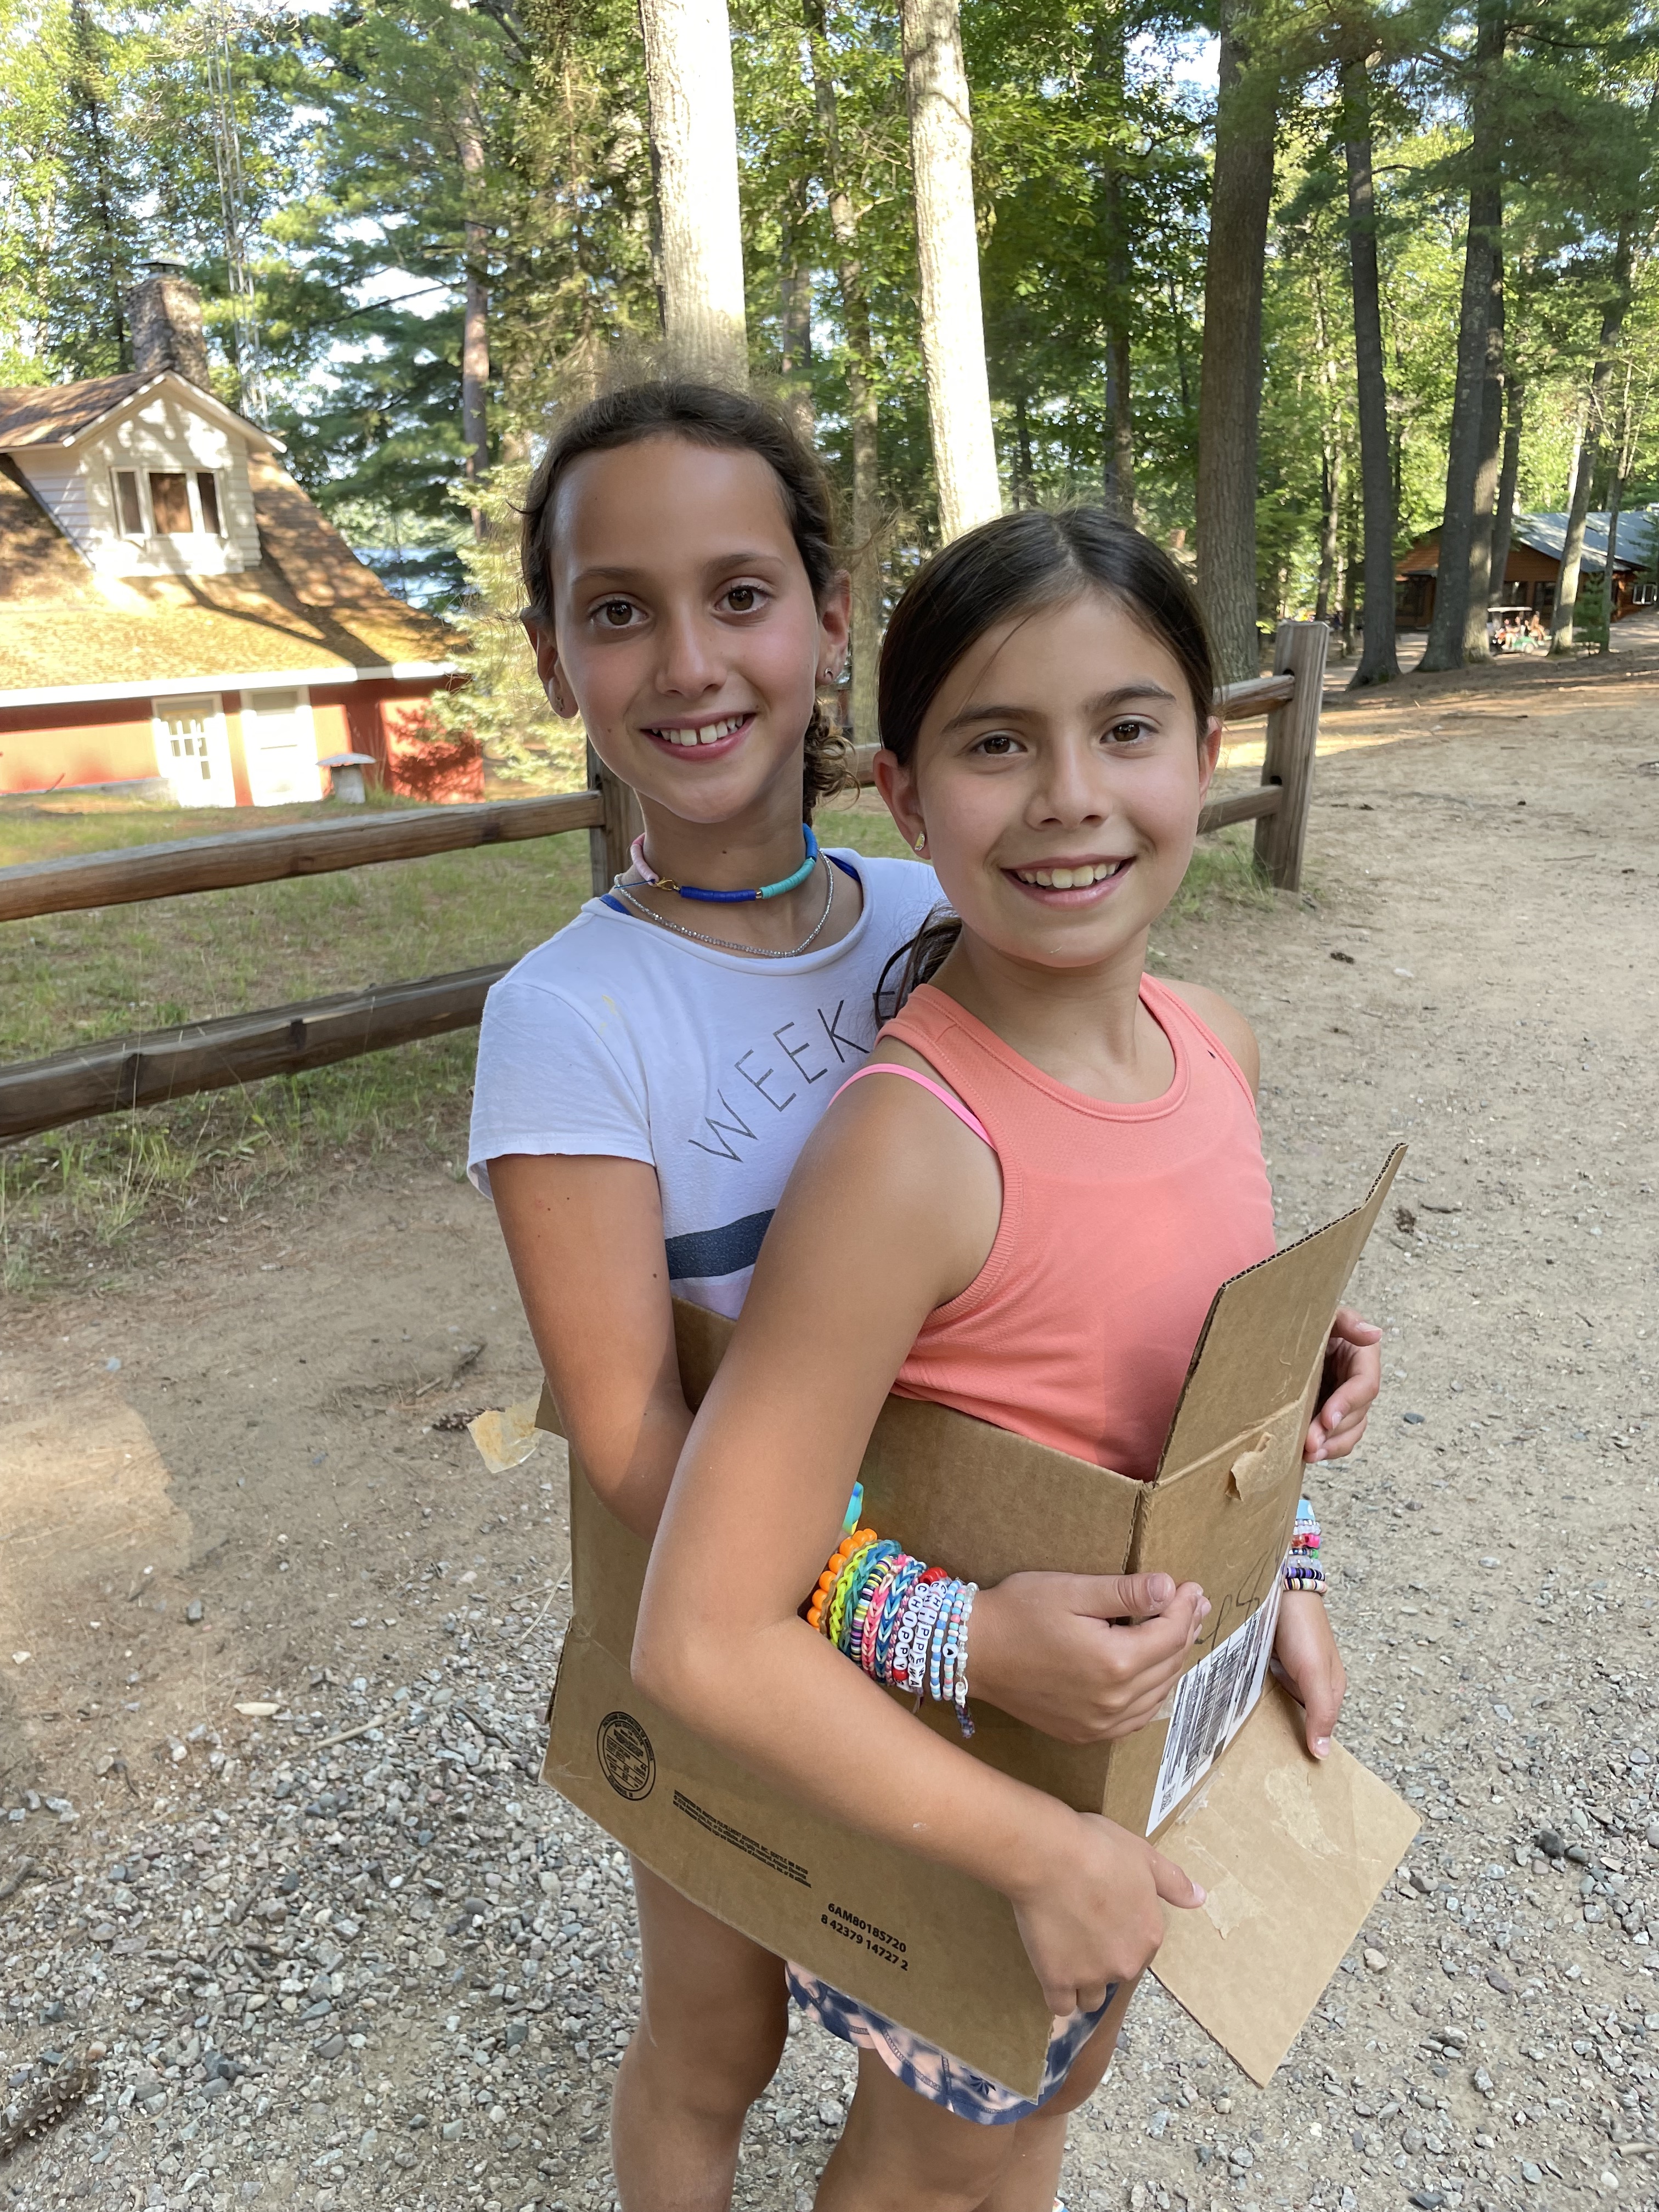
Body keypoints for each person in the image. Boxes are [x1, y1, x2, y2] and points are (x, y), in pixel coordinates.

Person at [469, 386, 1265, 2212]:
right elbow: (632, 1429)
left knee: (955, 2066)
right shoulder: (570, 1021)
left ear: (832, 619)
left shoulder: (949, 892)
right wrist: (933, 1628)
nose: (691, 662)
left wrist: (1260, 1364)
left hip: (959, 1637)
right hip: (743, 1623)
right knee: (716, 2042)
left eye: (741, 595)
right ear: (556, 657)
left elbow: (1099, 1196)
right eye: (619, 611)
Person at [635, 506, 1382, 2212]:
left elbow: (1192, 1406)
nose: (1069, 795)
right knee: (941, 2169)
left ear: (1207, 751)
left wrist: (1288, 1569)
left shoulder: (1217, 1047)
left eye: (1126, 728)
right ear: (906, 796)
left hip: (1130, 1762)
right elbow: (701, 1625)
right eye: (997, 744)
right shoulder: (911, 1153)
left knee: (1041, 2114)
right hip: (965, 1801)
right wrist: (1037, 1845)